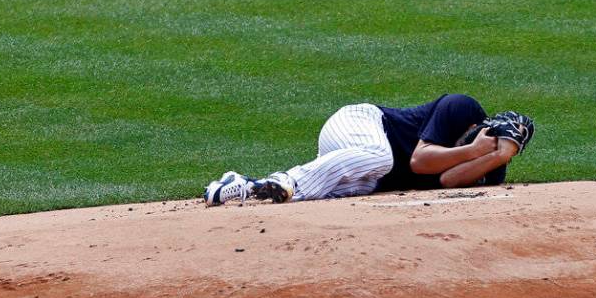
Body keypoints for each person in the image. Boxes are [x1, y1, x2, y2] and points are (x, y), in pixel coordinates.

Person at [203, 93, 533, 206]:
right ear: (484, 126)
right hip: (359, 125)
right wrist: (474, 149)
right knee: (382, 156)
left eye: (507, 149)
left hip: (367, 172)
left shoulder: (492, 165)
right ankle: (285, 177)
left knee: (338, 193)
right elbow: (420, 162)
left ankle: (247, 186)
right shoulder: (461, 108)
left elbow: (448, 180)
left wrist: (493, 156)